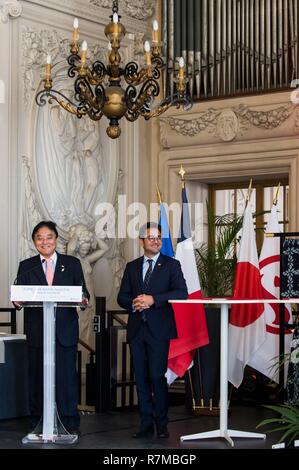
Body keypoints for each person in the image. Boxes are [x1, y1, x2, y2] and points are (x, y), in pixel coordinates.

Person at [13, 221, 89, 435]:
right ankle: (36, 424)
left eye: (48, 237)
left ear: (56, 240)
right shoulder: (27, 265)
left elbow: (83, 292)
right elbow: (19, 294)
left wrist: (83, 299)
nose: (44, 241)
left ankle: (69, 423)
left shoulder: (72, 263)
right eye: (39, 237)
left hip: (64, 332)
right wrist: (17, 301)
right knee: (37, 379)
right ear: (34, 241)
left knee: (66, 380)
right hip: (38, 332)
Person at [117, 222, 188, 438]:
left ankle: (162, 425)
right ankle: (146, 425)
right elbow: (122, 297)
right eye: (151, 237)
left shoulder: (171, 265)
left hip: (159, 330)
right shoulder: (132, 266)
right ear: (141, 241)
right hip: (137, 330)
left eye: (159, 237)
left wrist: (153, 300)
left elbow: (181, 292)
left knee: (157, 378)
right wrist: (135, 303)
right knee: (141, 380)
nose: (156, 241)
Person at [67, 223, 109, 346]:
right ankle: (78, 359)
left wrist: (92, 236)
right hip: (78, 298)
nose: (85, 251)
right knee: (79, 328)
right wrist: (77, 234)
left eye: (87, 249)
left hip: (91, 297)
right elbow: (70, 248)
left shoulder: (87, 260)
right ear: (78, 247)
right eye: (82, 249)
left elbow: (104, 248)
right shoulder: (71, 260)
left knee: (90, 329)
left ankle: (85, 360)